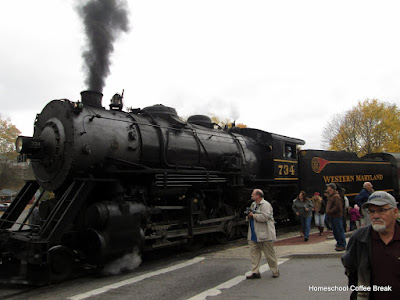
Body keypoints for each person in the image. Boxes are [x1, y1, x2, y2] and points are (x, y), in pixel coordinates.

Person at [342, 191, 400, 300]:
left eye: (381, 210)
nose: (376, 216)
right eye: (371, 212)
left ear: (395, 212)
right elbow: (352, 271)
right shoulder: (359, 238)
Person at [246, 189, 280, 279]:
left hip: (265, 234)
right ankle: (255, 272)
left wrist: (253, 215)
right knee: (254, 255)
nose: (251, 195)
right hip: (253, 234)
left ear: (258, 196)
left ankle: (275, 271)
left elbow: (265, 217)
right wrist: (248, 216)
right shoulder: (253, 205)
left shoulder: (266, 205)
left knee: (269, 254)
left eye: (253, 194)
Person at [325, 183, 346, 251]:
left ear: (333, 189)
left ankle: (342, 244)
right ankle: (339, 243)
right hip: (332, 216)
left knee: (339, 230)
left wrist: (330, 211)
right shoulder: (331, 196)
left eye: (329, 189)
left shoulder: (336, 196)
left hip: (336, 216)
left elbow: (337, 207)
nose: (328, 190)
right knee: (335, 231)